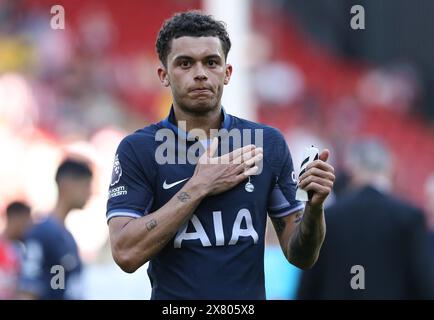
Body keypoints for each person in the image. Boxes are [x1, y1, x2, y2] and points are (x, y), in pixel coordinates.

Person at [107, 11, 335, 300]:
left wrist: (315, 209)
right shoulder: (138, 150)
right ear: (163, 75)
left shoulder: (267, 144)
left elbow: (301, 255)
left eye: (211, 62)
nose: (200, 73)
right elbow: (125, 252)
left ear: (227, 72)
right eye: (185, 63)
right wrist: (199, 186)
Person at [297, 139, 434, 299]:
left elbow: (308, 286)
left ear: (352, 170)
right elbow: (424, 284)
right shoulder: (410, 217)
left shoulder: (329, 216)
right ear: (389, 170)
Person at [18, 158, 92, 299]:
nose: (90, 192)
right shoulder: (41, 232)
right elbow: (27, 290)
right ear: (67, 185)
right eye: (86, 185)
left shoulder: (67, 236)